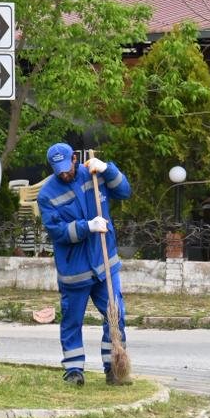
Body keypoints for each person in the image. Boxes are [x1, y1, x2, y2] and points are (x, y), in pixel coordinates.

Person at [37, 142, 132, 386]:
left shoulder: (94, 174)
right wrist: (86, 226)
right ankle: (73, 370)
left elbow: (124, 191)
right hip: (75, 271)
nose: (63, 173)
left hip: (104, 264)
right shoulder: (47, 194)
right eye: (58, 170)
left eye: (66, 167)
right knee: (72, 321)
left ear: (74, 159)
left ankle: (114, 368)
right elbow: (57, 231)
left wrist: (108, 169)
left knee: (116, 315)